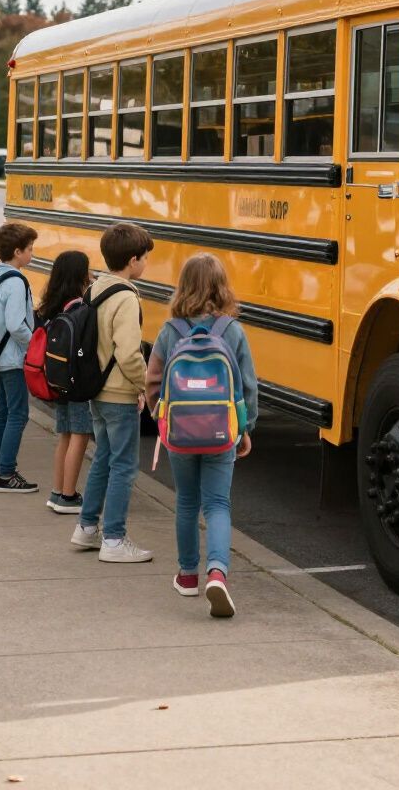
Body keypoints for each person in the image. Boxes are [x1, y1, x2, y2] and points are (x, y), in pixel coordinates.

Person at [146, 253, 256, 618]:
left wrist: (161, 420)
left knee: (187, 503)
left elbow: (153, 382)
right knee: (218, 504)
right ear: (221, 286)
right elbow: (247, 386)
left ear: (183, 287)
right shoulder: (232, 331)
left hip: (180, 432)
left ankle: (188, 576)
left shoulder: (170, 331)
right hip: (222, 430)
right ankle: (218, 574)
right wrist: (245, 428)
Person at [70, 222, 155, 562]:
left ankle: (87, 527)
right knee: (123, 466)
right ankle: (115, 539)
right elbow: (129, 354)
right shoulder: (126, 297)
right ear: (133, 260)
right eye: (145, 258)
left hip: (96, 391)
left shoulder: (95, 289)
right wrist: (145, 386)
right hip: (119, 394)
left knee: (103, 460)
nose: (146, 264)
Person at [0, 221, 38, 493]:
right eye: (29, 249)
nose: (32, 254)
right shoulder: (16, 281)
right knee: (18, 414)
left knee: (2, 412)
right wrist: (35, 344)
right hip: (13, 358)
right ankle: (6, 473)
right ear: (17, 251)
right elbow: (16, 324)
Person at [37, 250, 94, 514]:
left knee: (65, 435)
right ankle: (69, 496)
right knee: (80, 436)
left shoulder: (51, 305)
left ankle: (57, 491)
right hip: (77, 383)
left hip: (57, 379)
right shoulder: (81, 307)